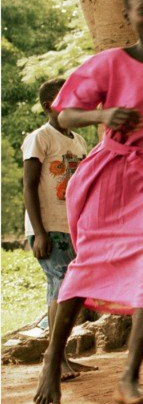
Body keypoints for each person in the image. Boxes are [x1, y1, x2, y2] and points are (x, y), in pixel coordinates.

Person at [33, 0, 143, 404]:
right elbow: (66, 112)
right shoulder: (108, 64)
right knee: (88, 263)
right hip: (113, 173)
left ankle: (130, 375)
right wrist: (102, 114)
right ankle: (53, 359)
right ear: (129, 18)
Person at [22, 78, 95, 380]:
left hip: (73, 226)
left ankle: (62, 355)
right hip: (48, 227)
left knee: (69, 289)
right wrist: (39, 232)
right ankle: (56, 360)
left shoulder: (78, 141)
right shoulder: (40, 138)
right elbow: (28, 186)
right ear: (48, 105)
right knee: (62, 286)